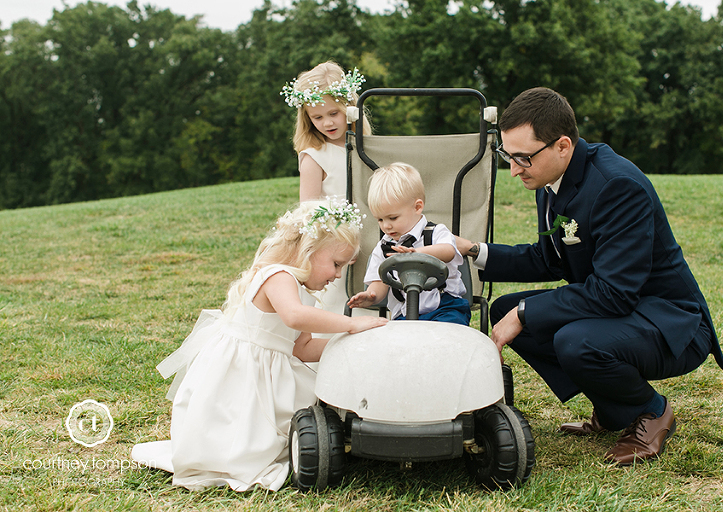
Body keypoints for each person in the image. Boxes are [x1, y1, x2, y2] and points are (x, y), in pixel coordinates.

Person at [455, 87, 723, 465]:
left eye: (522, 158)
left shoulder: (617, 185)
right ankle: (615, 410)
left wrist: (524, 315)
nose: (514, 168)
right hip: (622, 309)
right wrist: (468, 248)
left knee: (572, 339)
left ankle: (651, 412)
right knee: (508, 307)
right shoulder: (549, 178)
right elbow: (548, 259)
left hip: (671, 322)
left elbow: (613, 293)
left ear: (562, 146)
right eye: (507, 155)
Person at [131, 199, 387, 492]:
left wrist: (347, 343)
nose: (338, 275)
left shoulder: (298, 289)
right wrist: (352, 323)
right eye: (336, 264)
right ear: (309, 251)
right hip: (244, 370)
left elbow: (301, 348)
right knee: (243, 438)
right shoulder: (278, 275)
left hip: (270, 367)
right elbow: (293, 316)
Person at [282, 61, 373, 326]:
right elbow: (308, 214)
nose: (327, 122)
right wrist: (337, 246)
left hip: (373, 242)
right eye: (317, 117)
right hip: (334, 250)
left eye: (334, 113)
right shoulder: (314, 157)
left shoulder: (366, 150)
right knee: (336, 310)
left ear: (350, 109)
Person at [348, 163, 471, 325]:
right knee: (396, 342)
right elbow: (379, 282)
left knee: (449, 334)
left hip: (445, 308)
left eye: (392, 218)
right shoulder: (384, 248)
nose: (386, 226)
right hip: (404, 314)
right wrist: (371, 296)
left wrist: (417, 253)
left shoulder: (436, 233)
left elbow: (448, 251)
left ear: (417, 207)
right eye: (380, 219)